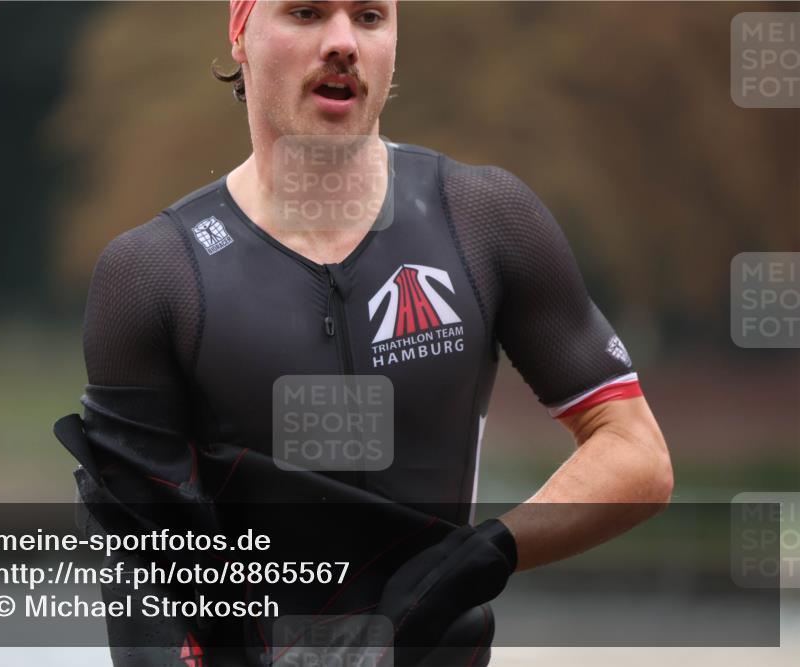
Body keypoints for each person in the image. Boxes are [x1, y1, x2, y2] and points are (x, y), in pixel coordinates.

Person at [54, 2, 674, 665]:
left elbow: (637, 454)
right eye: (307, 12)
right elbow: (145, 576)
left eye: (371, 16)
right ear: (240, 32)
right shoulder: (153, 276)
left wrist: (489, 550)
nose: (344, 41)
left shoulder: (484, 219)